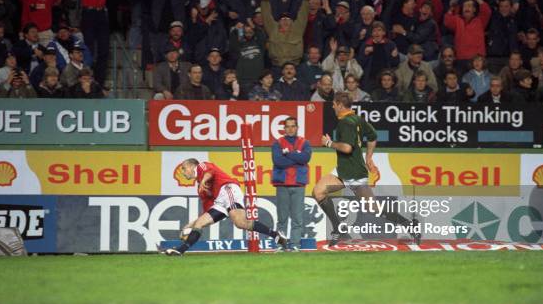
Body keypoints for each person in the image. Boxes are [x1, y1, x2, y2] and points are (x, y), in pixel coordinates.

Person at [312, 92, 418, 246]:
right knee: (318, 191)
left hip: (354, 173)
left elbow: (347, 148)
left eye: (334, 103)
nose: (333, 106)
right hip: (343, 169)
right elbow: (373, 136)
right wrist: (368, 157)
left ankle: (409, 224)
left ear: (340, 105)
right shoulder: (357, 119)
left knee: (375, 209)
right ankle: (338, 228)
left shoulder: (346, 123)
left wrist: (329, 143)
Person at [160, 159, 288, 256]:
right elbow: (208, 211)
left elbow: (210, 172)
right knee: (201, 223)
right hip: (220, 201)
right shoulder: (201, 189)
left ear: (191, 166)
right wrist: (190, 225)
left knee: (240, 222)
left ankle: (276, 234)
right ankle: (180, 250)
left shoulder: (201, 166)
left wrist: (204, 180)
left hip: (228, 189)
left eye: (183, 168)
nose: (182, 172)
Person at [271, 117, 312, 251]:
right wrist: (296, 159)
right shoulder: (278, 143)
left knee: (297, 219)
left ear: (297, 127)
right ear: (284, 129)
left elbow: (305, 158)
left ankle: (294, 245)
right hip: (282, 185)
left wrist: (288, 154)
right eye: (287, 126)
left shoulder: (304, 142)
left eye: (293, 126)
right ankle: (281, 245)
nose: (290, 129)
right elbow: (278, 161)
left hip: (298, 184)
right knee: (282, 218)